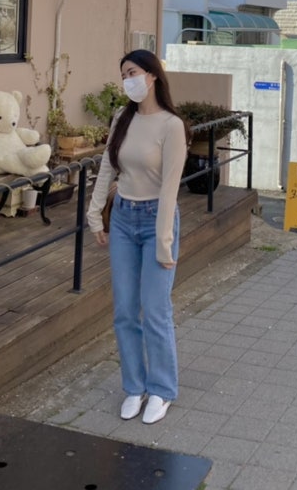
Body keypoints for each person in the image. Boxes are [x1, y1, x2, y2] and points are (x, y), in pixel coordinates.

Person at [86, 49, 188, 425]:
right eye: (123, 75)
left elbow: (170, 189)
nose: (127, 80)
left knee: (156, 310)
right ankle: (134, 386)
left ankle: (162, 389)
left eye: (132, 72)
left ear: (152, 75)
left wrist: (164, 242)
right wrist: (94, 215)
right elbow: (107, 168)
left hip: (157, 219)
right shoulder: (122, 118)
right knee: (125, 311)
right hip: (124, 220)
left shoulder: (172, 126)